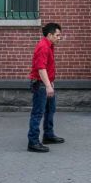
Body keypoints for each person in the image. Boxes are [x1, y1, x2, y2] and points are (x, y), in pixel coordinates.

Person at [27, 23, 64, 153]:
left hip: (47, 83)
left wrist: (51, 83)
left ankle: (48, 135)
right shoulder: (43, 47)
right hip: (41, 84)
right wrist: (48, 86)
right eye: (58, 35)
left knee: (50, 110)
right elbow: (41, 69)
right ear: (50, 35)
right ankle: (33, 142)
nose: (60, 38)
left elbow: (47, 68)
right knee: (38, 113)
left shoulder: (49, 46)